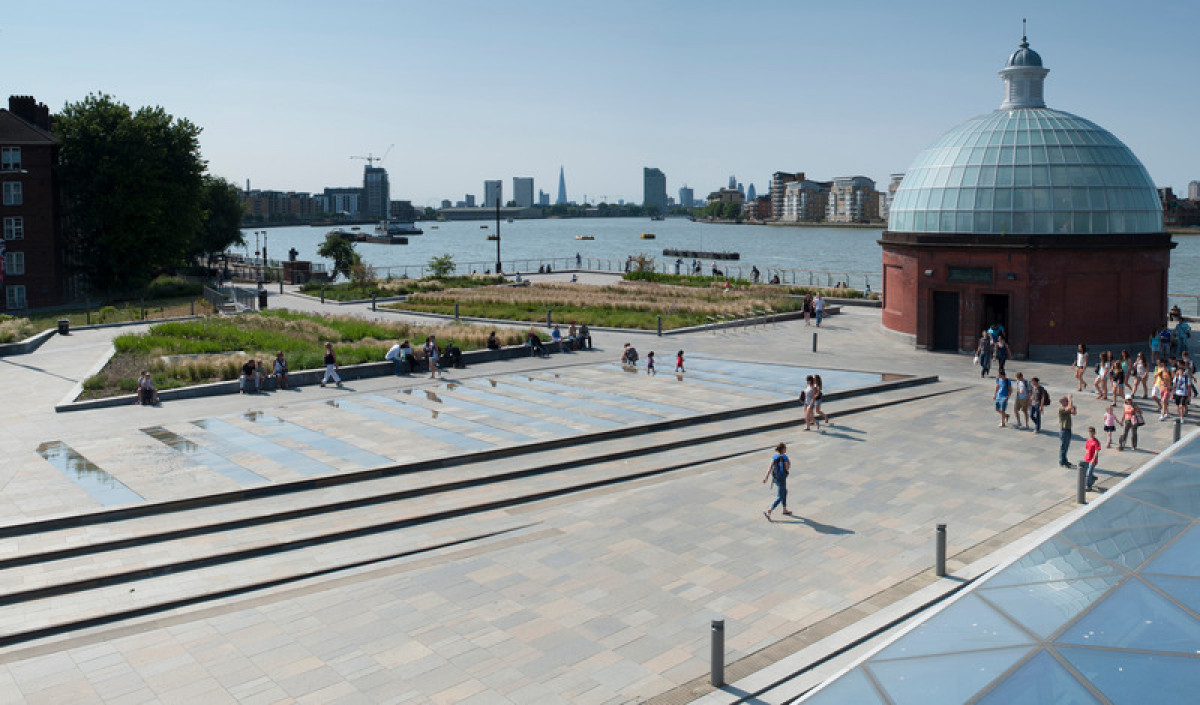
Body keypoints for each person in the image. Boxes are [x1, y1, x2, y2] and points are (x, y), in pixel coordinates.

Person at [762, 442, 791, 521]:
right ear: (783, 449)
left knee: (785, 491)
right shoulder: (785, 458)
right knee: (780, 496)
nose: (786, 449)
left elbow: (770, 468)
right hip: (782, 479)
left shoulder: (774, 457)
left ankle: (784, 509)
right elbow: (787, 468)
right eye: (785, 448)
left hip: (775, 478)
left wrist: (766, 478)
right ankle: (770, 510)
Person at [1058, 395, 1077, 468]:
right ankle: (1062, 462)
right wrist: (1070, 399)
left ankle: (1064, 460)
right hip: (1063, 429)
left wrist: (1072, 406)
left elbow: (1074, 412)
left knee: (1066, 446)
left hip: (1068, 429)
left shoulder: (1067, 407)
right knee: (1063, 446)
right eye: (1066, 401)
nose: (1067, 402)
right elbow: (1069, 408)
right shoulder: (1061, 408)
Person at [1083, 427, 1101, 491]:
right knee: (1086, 473)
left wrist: (1093, 459)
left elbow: (1096, 451)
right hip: (1087, 459)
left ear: (1094, 433)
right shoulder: (1088, 441)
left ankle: (1088, 486)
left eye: (1092, 432)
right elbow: (1087, 449)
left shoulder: (1096, 442)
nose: (1090, 433)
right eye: (1089, 432)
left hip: (1092, 460)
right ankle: (1093, 478)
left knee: (1088, 473)